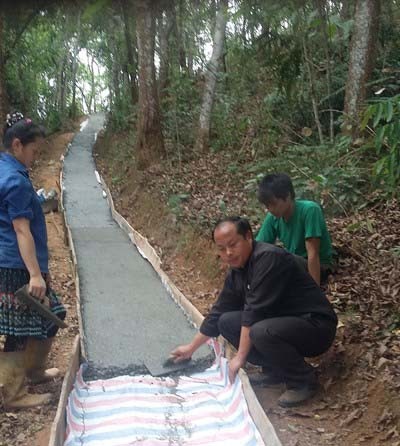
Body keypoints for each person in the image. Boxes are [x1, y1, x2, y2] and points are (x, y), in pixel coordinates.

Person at [170, 217, 337, 407]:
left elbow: (253, 311)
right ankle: (275, 371)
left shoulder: (268, 259)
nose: (228, 253)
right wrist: (190, 348)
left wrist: (240, 357)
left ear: (248, 237)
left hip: (316, 326)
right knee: (226, 321)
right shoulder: (238, 270)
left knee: (260, 331)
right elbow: (219, 310)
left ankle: (303, 381)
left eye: (233, 245)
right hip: (285, 323)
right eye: (222, 249)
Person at [0, 112, 66, 401]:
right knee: (17, 330)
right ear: (17, 145)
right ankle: (14, 395)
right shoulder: (14, 181)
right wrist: (35, 274)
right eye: (33, 150)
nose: (35, 155)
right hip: (16, 265)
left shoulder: (7, 170)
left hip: (16, 260)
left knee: (53, 315)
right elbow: (21, 229)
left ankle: (34, 371)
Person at [256, 173, 334, 286]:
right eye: (267, 206)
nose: (270, 209)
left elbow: (313, 253)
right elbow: (259, 247)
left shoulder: (310, 210)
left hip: (318, 267)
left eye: (273, 204)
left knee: (279, 257)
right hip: (294, 264)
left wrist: (315, 292)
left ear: (287, 196)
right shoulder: (272, 217)